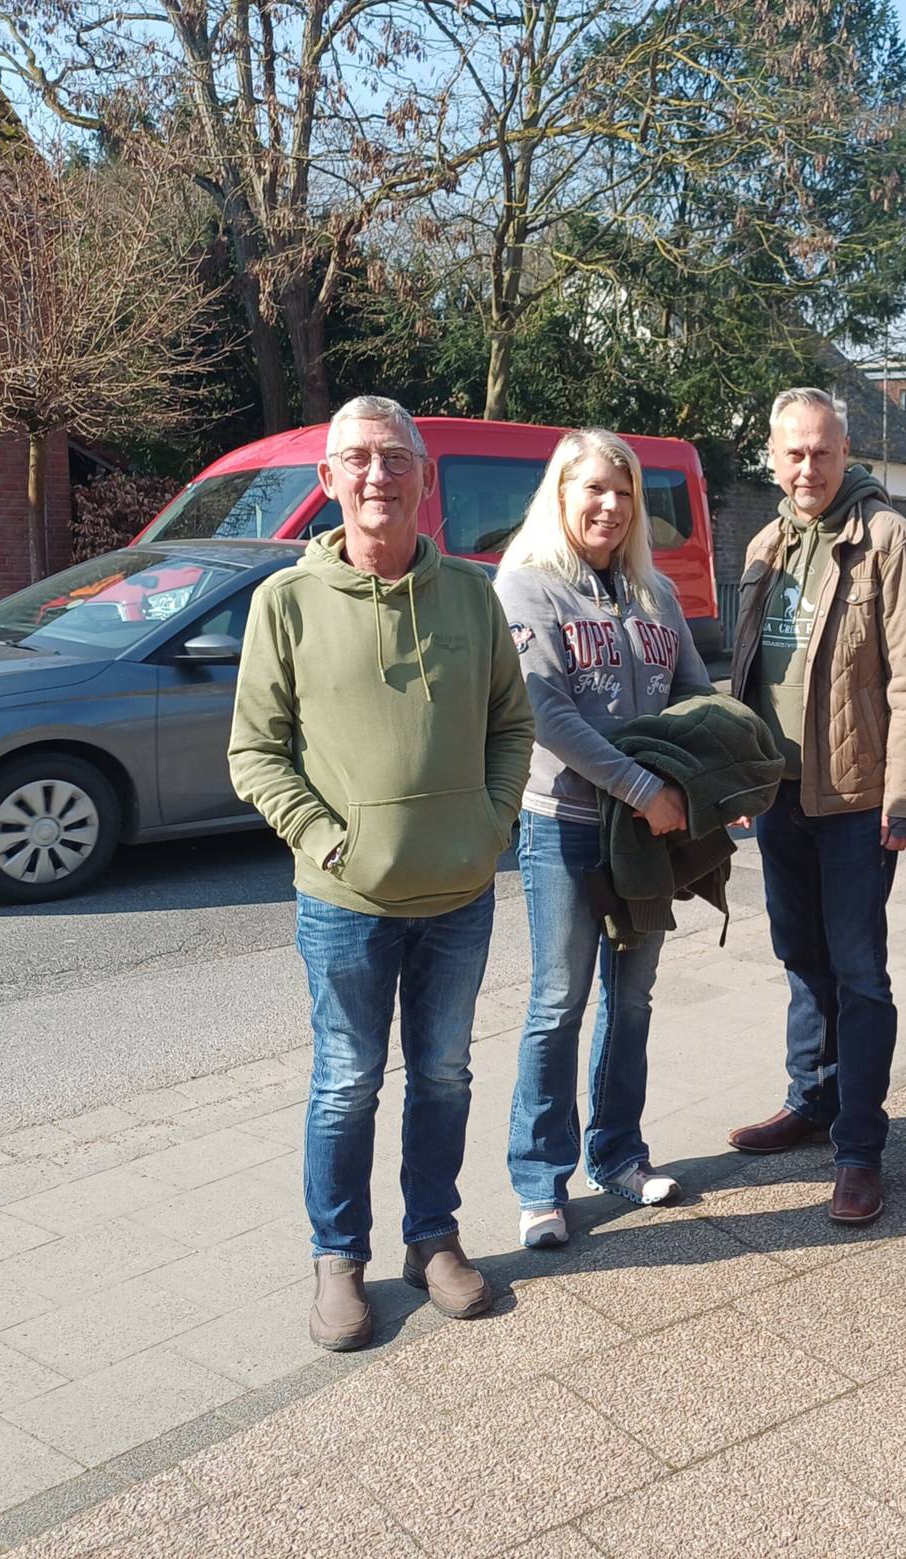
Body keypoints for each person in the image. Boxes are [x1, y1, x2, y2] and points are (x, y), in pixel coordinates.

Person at [229, 395, 534, 1349]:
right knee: (346, 1082)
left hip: (460, 891)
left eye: (397, 458)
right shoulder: (285, 602)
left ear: (424, 477)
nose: (378, 475)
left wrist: (491, 822)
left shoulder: (473, 597)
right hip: (345, 900)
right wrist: (327, 842)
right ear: (327, 480)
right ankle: (338, 1258)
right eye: (358, 458)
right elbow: (255, 752)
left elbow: (512, 726)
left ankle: (432, 1238)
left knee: (443, 1074)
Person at [724, 387, 906, 1226]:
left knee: (859, 973)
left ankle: (859, 1147)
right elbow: (748, 673)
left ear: (846, 453)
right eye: (794, 453)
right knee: (800, 956)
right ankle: (810, 1100)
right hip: (777, 792)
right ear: (773, 457)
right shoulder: (768, 543)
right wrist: (736, 778)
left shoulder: (891, 539)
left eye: (822, 451)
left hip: (856, 799)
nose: (808, 467)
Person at [493, 430, 712, 1250]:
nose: (611, 505)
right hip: (566, 826)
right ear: (561, 493)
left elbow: (693, 693)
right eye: (594, 488)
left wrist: (713, 778)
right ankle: (539, 1183)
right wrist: (642, 787)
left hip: (646, 836)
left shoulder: (655, 592)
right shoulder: (527, 586)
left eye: (624, 492)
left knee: (634, 998)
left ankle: (617, 1154)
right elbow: (543, 712)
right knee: (558, 1002)